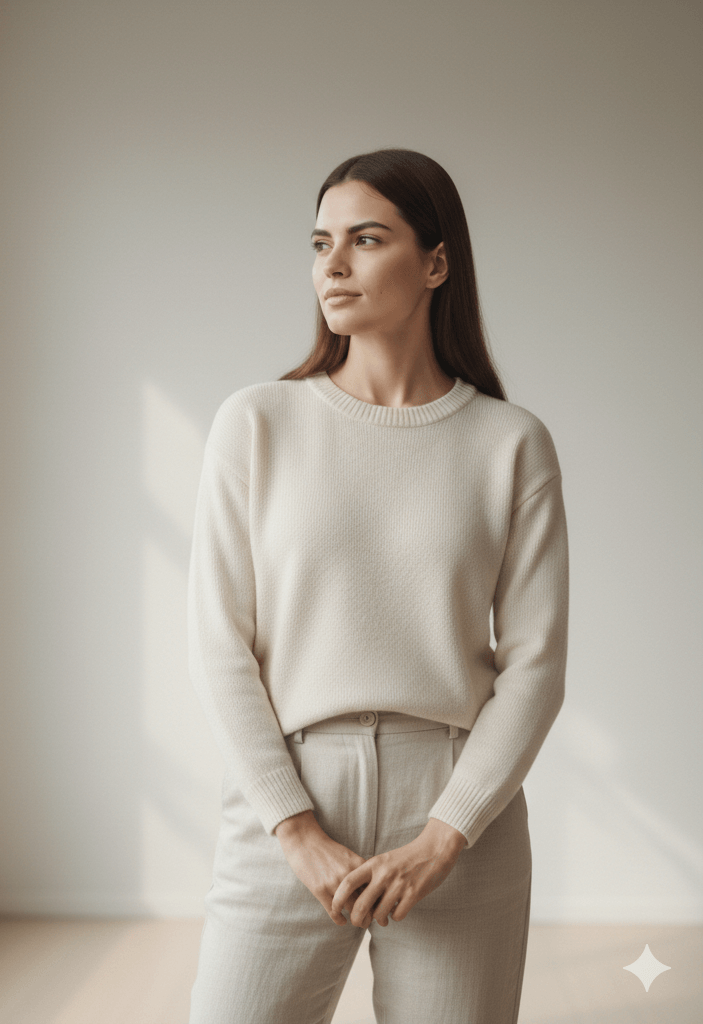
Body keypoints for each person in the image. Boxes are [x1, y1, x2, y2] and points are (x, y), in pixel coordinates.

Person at [185, 148, 569, 1024]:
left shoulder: (510, 443)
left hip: (458, 804)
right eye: (321, 242)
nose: (333, 263)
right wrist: (294, 829)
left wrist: (445, 836)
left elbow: (536, 666)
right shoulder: (257, 423)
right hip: (292, 788)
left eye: (366, 239)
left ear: (436, 263)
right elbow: (219, 648)